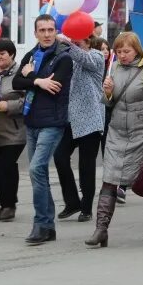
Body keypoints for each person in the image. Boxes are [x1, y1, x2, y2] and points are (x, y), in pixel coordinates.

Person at [85, 32, 143, 248]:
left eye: (126, 51)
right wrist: (107, 93)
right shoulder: (114, 69)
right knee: (109, 178)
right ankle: (101, 230)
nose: (122, 55)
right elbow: (107, 103)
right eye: (118, 52)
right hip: (118, 130)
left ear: (136, 50)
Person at [12, 14, 74, 245]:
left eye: (51, 30)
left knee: (37, 170)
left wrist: (32, 77)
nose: (47, 34)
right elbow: (17, 82)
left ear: (56, 32)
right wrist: (38, 81)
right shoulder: (30, 55)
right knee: (40, 174)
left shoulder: (63, 57)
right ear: (35, 32)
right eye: (42, 30)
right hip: (32, 120)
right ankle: (48, 227)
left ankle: (40, 224)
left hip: (53, 122)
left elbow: (55, 86)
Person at [54, 35, 105, 223]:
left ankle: (86, 207)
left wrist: (68, 44)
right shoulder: (68, 57)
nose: (76, 42)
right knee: (59, 156)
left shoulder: (97, 56)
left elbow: (85, 59)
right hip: (69, 120)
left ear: (88, 40)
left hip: (91, 119)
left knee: (86, 165)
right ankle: (72, 202)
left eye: (79, 39)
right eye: (74, 40)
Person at [0, 38, 26, 222]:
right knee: (1, 169)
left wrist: (8, 105)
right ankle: (5, 205)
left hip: (14, 130)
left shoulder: (20, 74)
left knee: (6, 167)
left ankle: (9, 206)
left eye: (2, 53)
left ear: (11, 54)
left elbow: (28, 100)